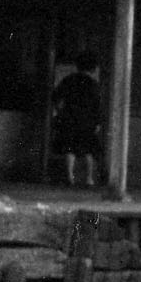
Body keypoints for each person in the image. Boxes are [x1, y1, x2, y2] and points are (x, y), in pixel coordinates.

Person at [50, 52, 104, 188]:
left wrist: (60, 111)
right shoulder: (93, 84)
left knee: (69, 148)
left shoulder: (69, 80)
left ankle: (70, 177)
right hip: (87, 120)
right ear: (93, 68)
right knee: (88, 149)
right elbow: (97, 105)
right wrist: (97, 122)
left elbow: (55, 96)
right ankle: (89, 179)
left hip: (69, 117)